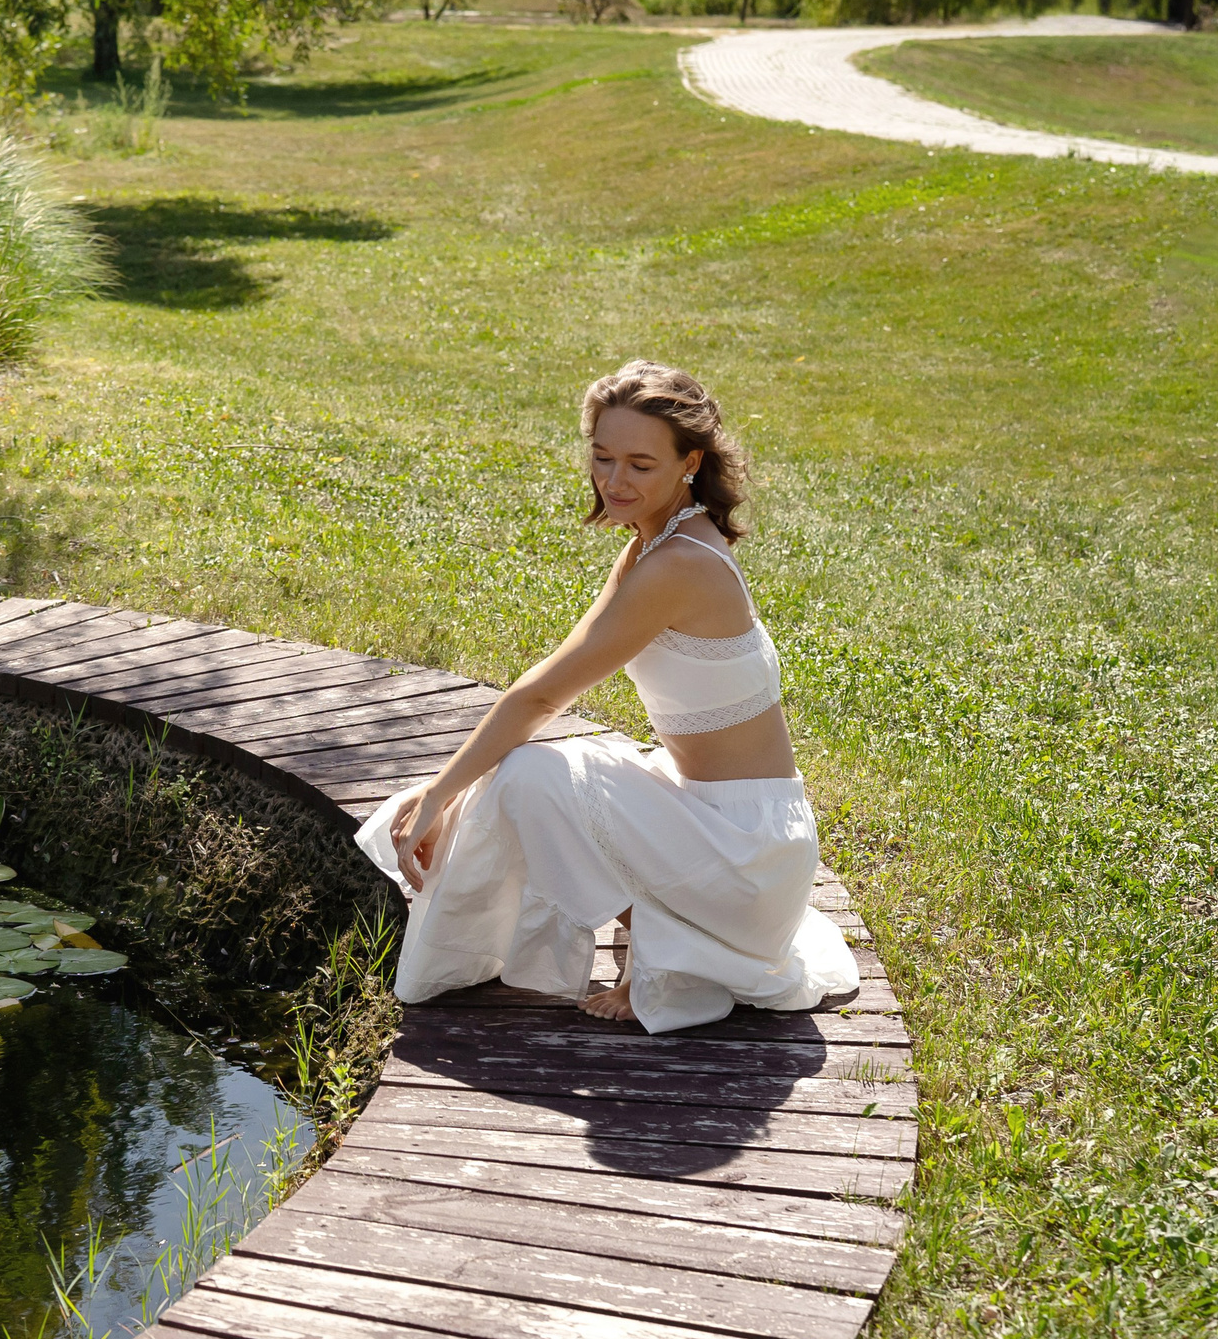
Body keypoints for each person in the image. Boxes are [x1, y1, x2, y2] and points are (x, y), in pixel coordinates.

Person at [353, 359, 859, 1031]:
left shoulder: (680, 564)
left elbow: (539, 698)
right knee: (540, 769)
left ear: (690, 462)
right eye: (603, 457)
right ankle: (658, 929)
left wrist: (438, 794)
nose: (615, 480)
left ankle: (668, 948)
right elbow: (547, 677)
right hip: (740, 832)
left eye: (640, 464)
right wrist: (444, 789)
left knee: (529, 775)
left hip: (746, 861)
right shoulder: (657, 543)